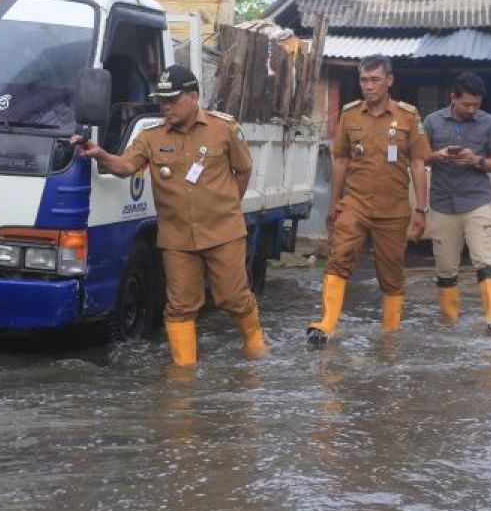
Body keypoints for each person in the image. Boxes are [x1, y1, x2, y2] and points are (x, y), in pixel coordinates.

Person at [71, 64, 265, 368]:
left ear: (193, 96)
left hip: (223, 232)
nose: (166, 106)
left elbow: (243, 169)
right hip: (176, 238)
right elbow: (124, 167)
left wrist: (226, 207)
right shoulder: (151, 137)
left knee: (232, 297)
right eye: (162, 100)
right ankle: (184, 375)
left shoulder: (223, 128)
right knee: (179, 307)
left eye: (173, 100)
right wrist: (99, 154)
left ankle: (255, 343)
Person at [307, 55, 429, 344]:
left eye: (375, 80)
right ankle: (325, 325)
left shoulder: (408, 117)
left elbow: (417, 164)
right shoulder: (350, 115)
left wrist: (421, 209)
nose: (369, 86)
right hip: (355, 203)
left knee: (391, 272)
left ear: (389, 80)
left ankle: (390, 334)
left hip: (393, 208)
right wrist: (334, 206)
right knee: (339, 257)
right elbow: (340, 161)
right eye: (364, 80)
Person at [422, 72, 491, 335]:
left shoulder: (490, 123)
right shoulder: (432, 121)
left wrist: (476, 161)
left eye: (476, 105)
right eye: (466, 104)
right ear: (453, 98)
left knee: (486, 261)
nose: (471, 109)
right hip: (442, 203)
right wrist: (438, 155)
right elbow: (420, 158)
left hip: (476, 201)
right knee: (446, 268)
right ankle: (449, 322)